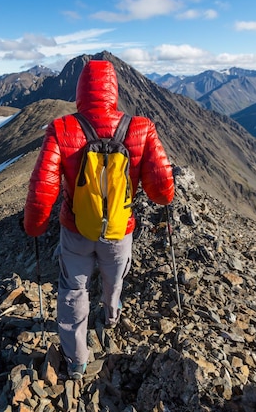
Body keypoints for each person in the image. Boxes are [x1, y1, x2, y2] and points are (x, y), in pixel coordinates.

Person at [24, 59, 175, 380]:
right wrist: (164, 198)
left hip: (76, 230)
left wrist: (35, 225)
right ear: (114, 90)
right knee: (114, 278)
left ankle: (76, 361)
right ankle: (110, 314)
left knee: (73, 291)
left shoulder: (62, 128)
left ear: (80, 91)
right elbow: (161, 186)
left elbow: (43, 185)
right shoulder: (140, 128)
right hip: (120, 231)